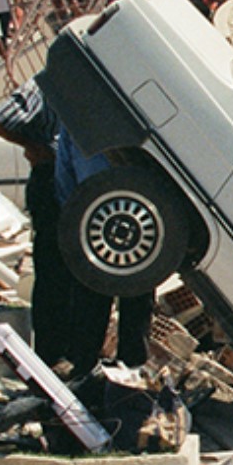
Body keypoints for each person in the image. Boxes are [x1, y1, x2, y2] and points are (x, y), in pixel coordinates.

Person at [0, 77, 74, 367]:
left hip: (69, 174)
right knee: (51, 267)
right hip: (50, 175)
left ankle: (66, 349)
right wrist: (36, 146)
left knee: (69, 269)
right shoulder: (46, 84)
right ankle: (50, 353)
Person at [54, 128, 151, 373]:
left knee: (93, 299)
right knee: (134, 293)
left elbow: (65, 180)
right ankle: (130, 364)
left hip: (96, 216)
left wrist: (76, 214)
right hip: (133, 214)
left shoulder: (73, 127)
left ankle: (88, 364)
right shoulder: (129, 122)